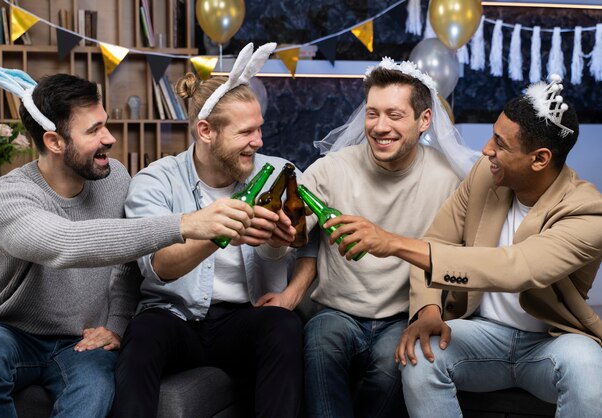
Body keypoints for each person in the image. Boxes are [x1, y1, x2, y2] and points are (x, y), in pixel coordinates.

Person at [0, 65, 255, 418]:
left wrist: (117, 325)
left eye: (105, 123)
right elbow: (65, 243)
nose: (110, 138)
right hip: (15, 333)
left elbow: (127, 265)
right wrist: (184, 224)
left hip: (86, 340)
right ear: (54, 142)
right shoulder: (4, 196)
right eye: (94, 130)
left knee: (95, 395)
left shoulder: (115, 177)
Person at [326, 75, 602, 417]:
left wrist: (394, 243)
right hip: (481, 332)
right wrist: (428, 309)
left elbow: (515, 267)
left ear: (540, 159)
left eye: (500, 144)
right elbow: (436, 241)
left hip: (552, 342)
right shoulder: (485, 174)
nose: (487, 149)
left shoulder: (589, 211)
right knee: (420, 355)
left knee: (590, 369)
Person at [267, 58, 479, 418]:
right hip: (336, 311)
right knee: (320, 345)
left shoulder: (448, 179)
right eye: (372, 113)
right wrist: (277, 234)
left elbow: (460, 260)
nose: (380, 127)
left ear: (423, 120)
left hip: (402, 316)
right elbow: (279, 242)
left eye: (394, 115)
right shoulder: (332, 169)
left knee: (392, 367)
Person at [110, 43, 304, 418]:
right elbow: (158, 267)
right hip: (175, 317)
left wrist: (279, 246)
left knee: (284, 326)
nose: (259, 141)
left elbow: (307, 246)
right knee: (144, 335)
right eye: (246, 132)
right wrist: (218, 235)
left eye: (260, 129)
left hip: (244, 318)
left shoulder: (279, 173)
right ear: (206, 131)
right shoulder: (156, 180)